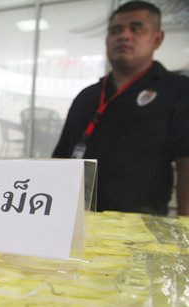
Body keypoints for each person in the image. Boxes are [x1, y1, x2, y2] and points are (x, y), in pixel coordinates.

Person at [53, 1, 189, 216]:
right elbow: (60, 160)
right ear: (107, 40)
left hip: (141, 226)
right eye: (116, 30)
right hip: (78, 219)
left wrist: (185, 233)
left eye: (136, 28)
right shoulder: (87, 97)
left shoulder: (177, 91)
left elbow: (186, 163)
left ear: (157, 38)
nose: (124, 35)